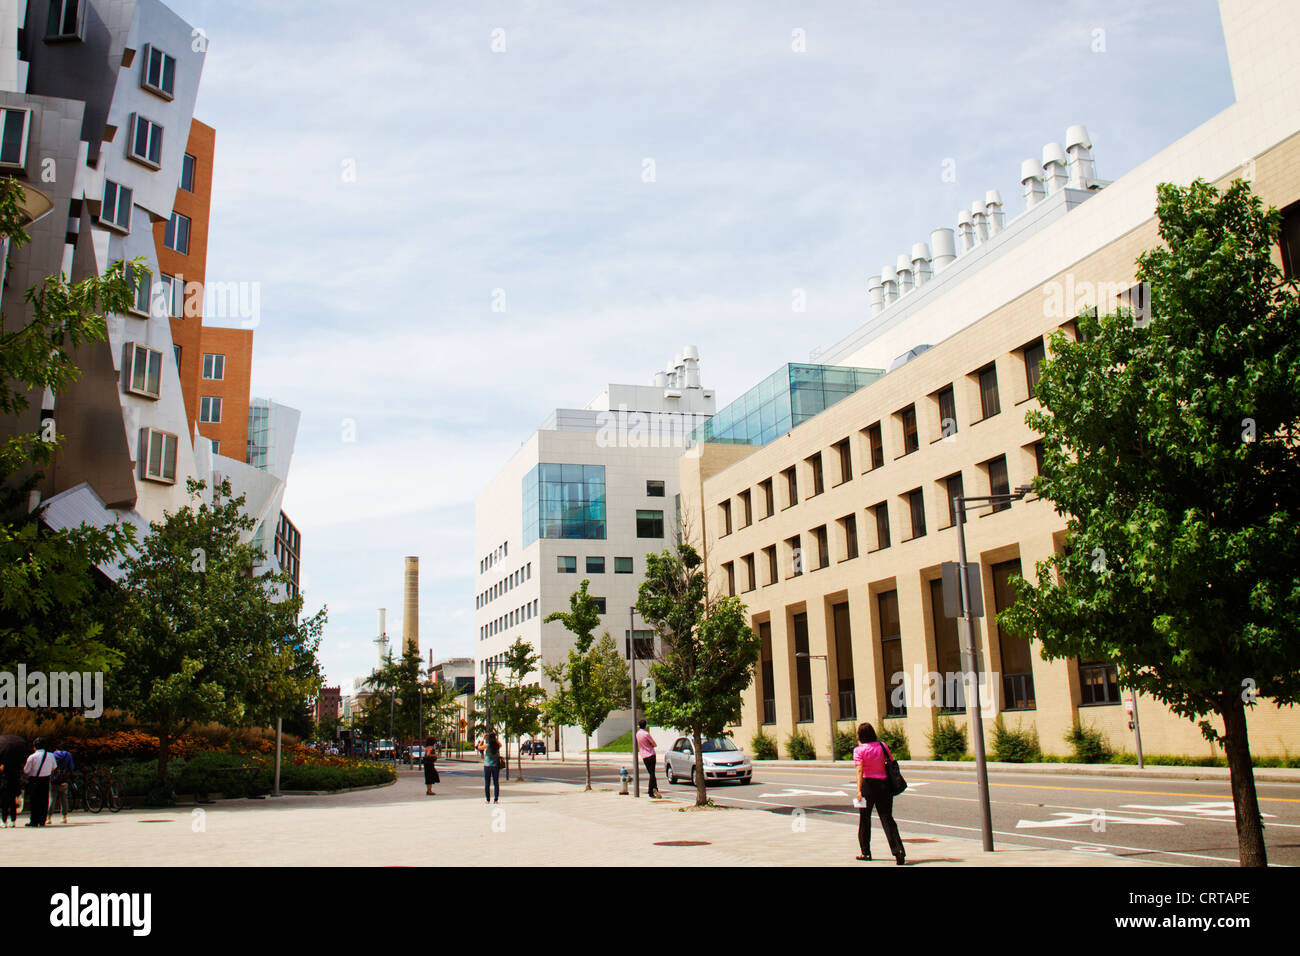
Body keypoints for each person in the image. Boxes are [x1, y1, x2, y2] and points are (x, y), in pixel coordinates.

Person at [853, 723, 905, 865]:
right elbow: (891, 762)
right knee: (887, 819)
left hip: (867, 786)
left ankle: (866, 852)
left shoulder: (858, 750)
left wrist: (858, 790)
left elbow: (859, 770)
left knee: (864, 819)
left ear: (860, 735)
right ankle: (898, 851)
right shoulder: (882, 746)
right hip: (884, 786)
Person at [22, 738, 56, 828]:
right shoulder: (51, 755)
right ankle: (42, 820)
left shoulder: (32, 757)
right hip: (46, 779)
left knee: (34, 801)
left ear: (34, 747)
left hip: (35, 780)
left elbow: (26, 770)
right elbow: (54, 767)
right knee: (44, 800)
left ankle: (34, 820)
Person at [49, 746, 74, 824]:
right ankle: (64, 817)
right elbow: (72, 767)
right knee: (64, 799)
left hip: (54, 779)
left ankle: (49, 818)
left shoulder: (52, 755)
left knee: (52, 798)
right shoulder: (68, 755)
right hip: (64, 779)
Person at [635, 720, 661, 798]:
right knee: (652, 774)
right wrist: (650, 745)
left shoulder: (638, 734)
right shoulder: (646, 734)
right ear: (645, 725)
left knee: (651, 773)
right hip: (651, 754)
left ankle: (655, 788)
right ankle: (650, 791)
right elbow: (654, 744)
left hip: (644, 756)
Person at [478, 732, 502, 803]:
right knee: (496, 783)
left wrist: (483, 738)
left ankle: (488, 799)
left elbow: (479, 747)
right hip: (495, 766)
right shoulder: (497, 745)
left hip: (487, 766)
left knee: (487, 783)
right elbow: (500, 744)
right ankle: (496, 799)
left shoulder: (487, 746)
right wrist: (496, 739)